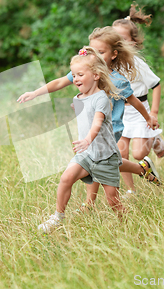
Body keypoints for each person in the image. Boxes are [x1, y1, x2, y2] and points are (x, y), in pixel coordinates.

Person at [17, 27, 161, 207]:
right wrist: (36, 93)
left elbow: (135, 102)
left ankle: (89, 203)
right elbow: (61, 81)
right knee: (107, 162)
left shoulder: (118, 81)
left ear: (114, 54)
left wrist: (148, 117)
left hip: (109, 130)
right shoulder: (85, 71)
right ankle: (142, 169)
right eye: (94, 52)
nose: (97, 57)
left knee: (95, 161)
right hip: (89, 128)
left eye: (102, 52)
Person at [38, 47, 124, 233]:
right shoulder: (79, 97)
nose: (75, 79)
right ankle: (58, 217)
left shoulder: (101, 98)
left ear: (95, 75)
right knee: (66, 178)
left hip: (104, 156)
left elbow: (97, 123)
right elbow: (85, 115)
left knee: (113, 202)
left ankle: (125, 226)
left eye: (79, 75)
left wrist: (87, 139)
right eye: (73, 75)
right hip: (86, 154)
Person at [112, 4, 164, 198]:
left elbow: (157, 85)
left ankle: (154, 138)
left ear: (133, 42)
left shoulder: (136, 63)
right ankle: (131, 189)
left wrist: (154, 113)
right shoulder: (109, 64)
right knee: (120, 154)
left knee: (138, 155)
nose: (118, 44)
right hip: (120, 112)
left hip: (140, 111)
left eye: (123, 40)